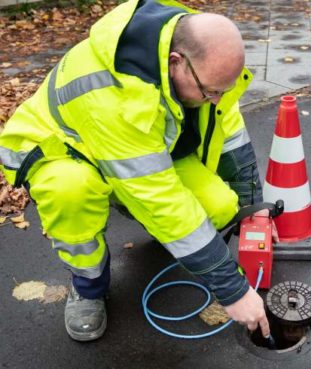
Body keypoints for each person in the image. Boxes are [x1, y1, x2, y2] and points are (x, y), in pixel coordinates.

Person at [0, 0, 271, 341]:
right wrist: (233, 290)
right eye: (210, 92)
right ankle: (88, 287)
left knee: (218, 205)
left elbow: (231, 136)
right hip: (67, 155)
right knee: (71, 191)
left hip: (140, 154)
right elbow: (158, 197)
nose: (216, 100)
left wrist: (253, 212)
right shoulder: (112, 90)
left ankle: (158, 226)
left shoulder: (195, 54)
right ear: (176, 63)